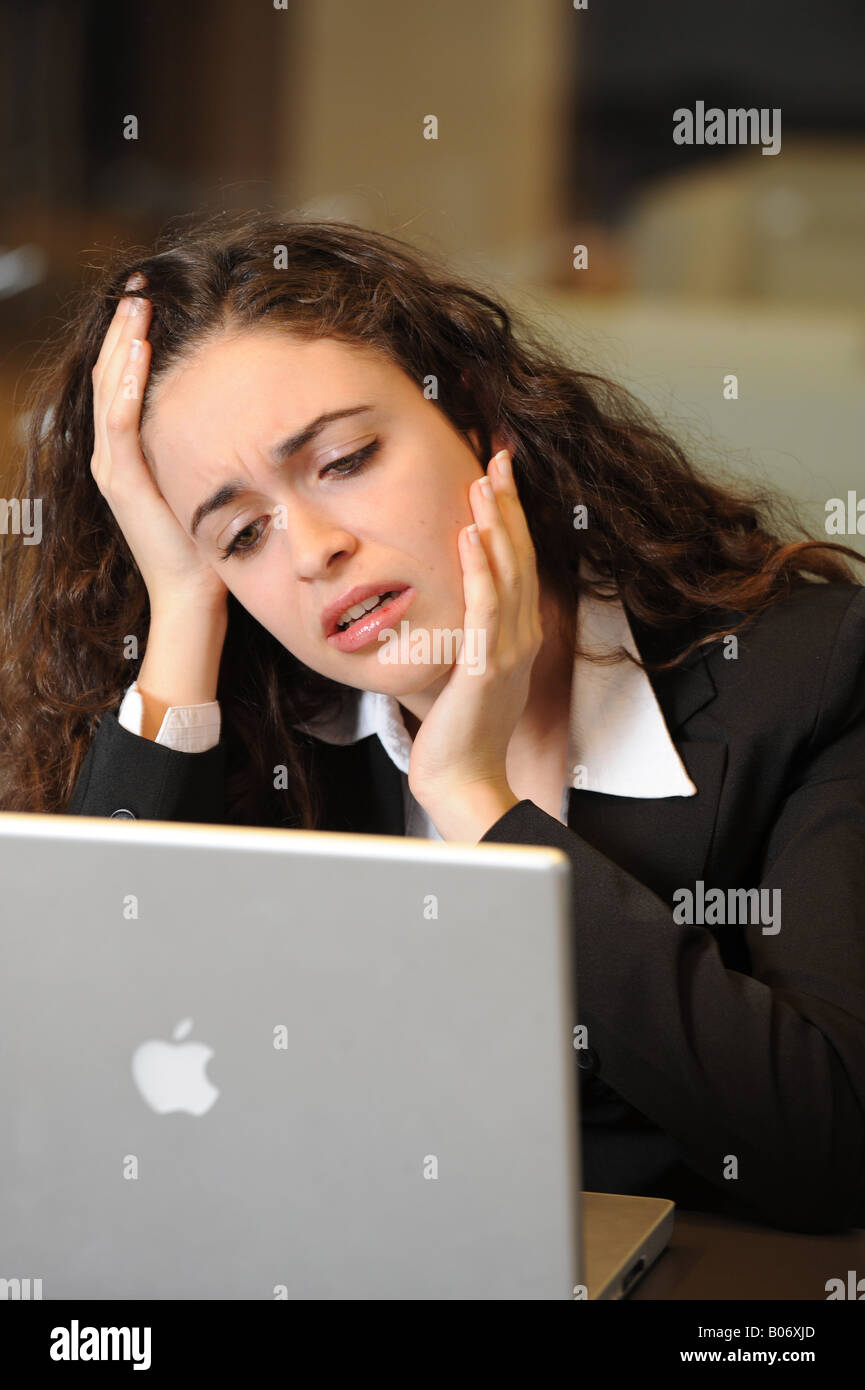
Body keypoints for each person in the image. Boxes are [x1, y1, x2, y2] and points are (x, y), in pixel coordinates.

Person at [2, 211, 864, 1234]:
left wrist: (477, 802)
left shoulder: (810, 673)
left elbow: (827, 1151)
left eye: (345, 459)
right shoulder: (273, 742)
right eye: (241, 533)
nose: (313, 548)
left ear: (484, 422)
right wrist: (184, 606)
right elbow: (86, 1129)